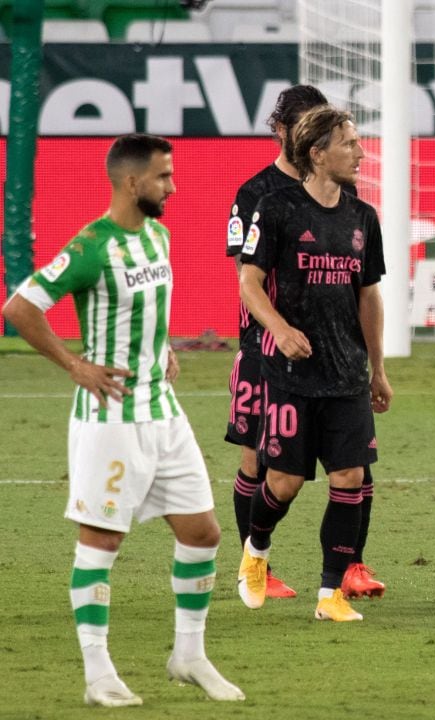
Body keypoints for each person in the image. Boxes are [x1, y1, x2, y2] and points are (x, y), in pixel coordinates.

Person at [2, 134, 244, 706]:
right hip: (110, 419)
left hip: (163, 411)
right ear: (132, 182)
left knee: (203, 533)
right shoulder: (92, 245)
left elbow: (142, 312)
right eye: (164, 176)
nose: (173, 185)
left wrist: (159, 348)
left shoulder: (158, 235)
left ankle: (189, 654)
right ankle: (98, 673)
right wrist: (73, 363)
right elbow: (19, 306)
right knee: (102, 541)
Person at [226, 85, 385, 601]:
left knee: (352, 469)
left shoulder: (357, 209)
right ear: (300, 138)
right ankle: (255, 561)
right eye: (349, 142)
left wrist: (375, 365)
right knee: (268, 468)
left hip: (343, 365)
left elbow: (367, 291)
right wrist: (277, 330)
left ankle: (344, 573)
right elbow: (248, 277)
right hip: (271, 356)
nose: (360, 152)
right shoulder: (263, 199)